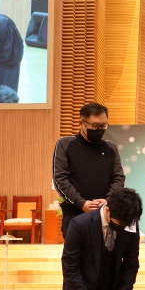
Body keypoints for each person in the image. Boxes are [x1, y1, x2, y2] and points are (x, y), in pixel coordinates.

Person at [60, 188, 143, 290]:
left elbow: (131, 267)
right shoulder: (79, 224)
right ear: (107, 210)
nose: (123, 227)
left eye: (127, 224)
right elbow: (70, 269)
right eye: (119, 224)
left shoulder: (130, 224)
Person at [53, 103, 125, 241]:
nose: (100, 130)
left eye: (104, 125)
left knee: (106, 254)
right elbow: (60, 179)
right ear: (81, 123)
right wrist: (81, 203)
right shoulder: (65, 144)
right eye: (95, 126)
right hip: (74, 214)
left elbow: (119, 178)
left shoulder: (111, 148)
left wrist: (108, 201)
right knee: (76, 254)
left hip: (106, 214)